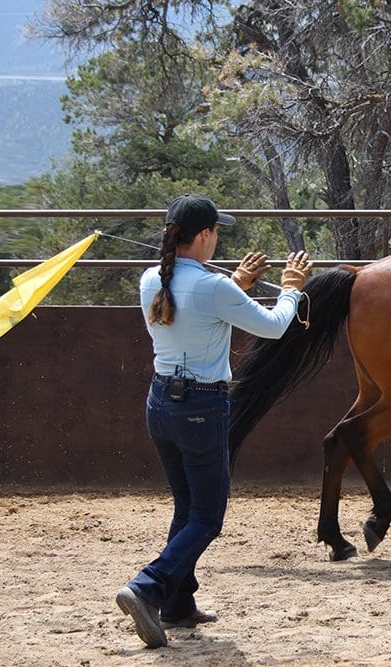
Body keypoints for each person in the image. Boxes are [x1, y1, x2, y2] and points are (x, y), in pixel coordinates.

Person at [115, 193, 313, 648]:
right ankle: (147, 587)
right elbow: (274, 325)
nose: (217, 238)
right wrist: (291, 287)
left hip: (161, 402)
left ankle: (177, 604)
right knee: (207, 516)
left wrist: (237, 284)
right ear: (203, 235)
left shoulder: (152, 279)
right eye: (216, 231)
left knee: (187, 509)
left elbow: (197, 316)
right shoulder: (211, 286)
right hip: (201, 408)